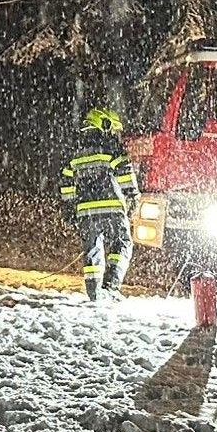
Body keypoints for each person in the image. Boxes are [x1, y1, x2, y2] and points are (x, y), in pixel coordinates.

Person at [58, 107, 141, 302]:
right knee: (122, 243)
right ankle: (111, 287)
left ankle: (94, 293)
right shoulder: (110, 146)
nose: (115, 134)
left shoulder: (75, 151)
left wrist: (69, 209)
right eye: (114, 129)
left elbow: (66, 183)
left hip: (85, 211)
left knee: (92, 250)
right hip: (112, 207)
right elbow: (125, 171)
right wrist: (133, 195)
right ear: (104, 124)